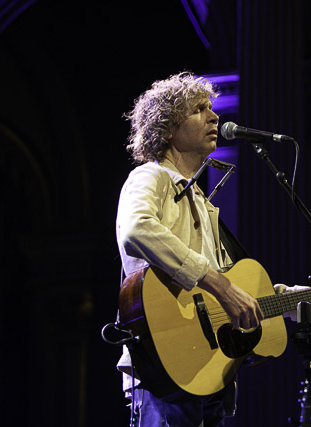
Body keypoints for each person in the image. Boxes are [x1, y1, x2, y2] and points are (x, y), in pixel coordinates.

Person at [115, 71, 264, 426]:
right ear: (168, 128)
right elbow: (136, 229)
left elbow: (235, 286)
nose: (214, 117)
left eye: (212, 109)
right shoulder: (151, 177)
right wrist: (220, 285)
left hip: (207, 371)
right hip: (165, 371)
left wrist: (304, 297)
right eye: (199, 109)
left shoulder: (203, 203)